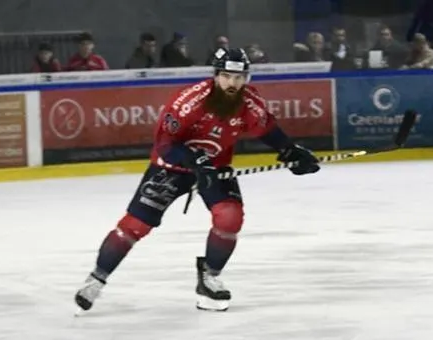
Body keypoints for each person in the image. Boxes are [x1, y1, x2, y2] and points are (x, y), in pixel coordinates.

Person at [75, 48, 320, 313]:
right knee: (135, 225)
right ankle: (96, 279)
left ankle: (209, 278)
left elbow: (266, 128)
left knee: (230, 217)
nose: (233, 83)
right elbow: (165, 144)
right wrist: (194, 160)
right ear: (216, 75)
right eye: (227, 76)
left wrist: (290, 151)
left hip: (214, 167)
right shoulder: (190, 101)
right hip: (172, 167)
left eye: (239, 77)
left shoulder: (249, 101)